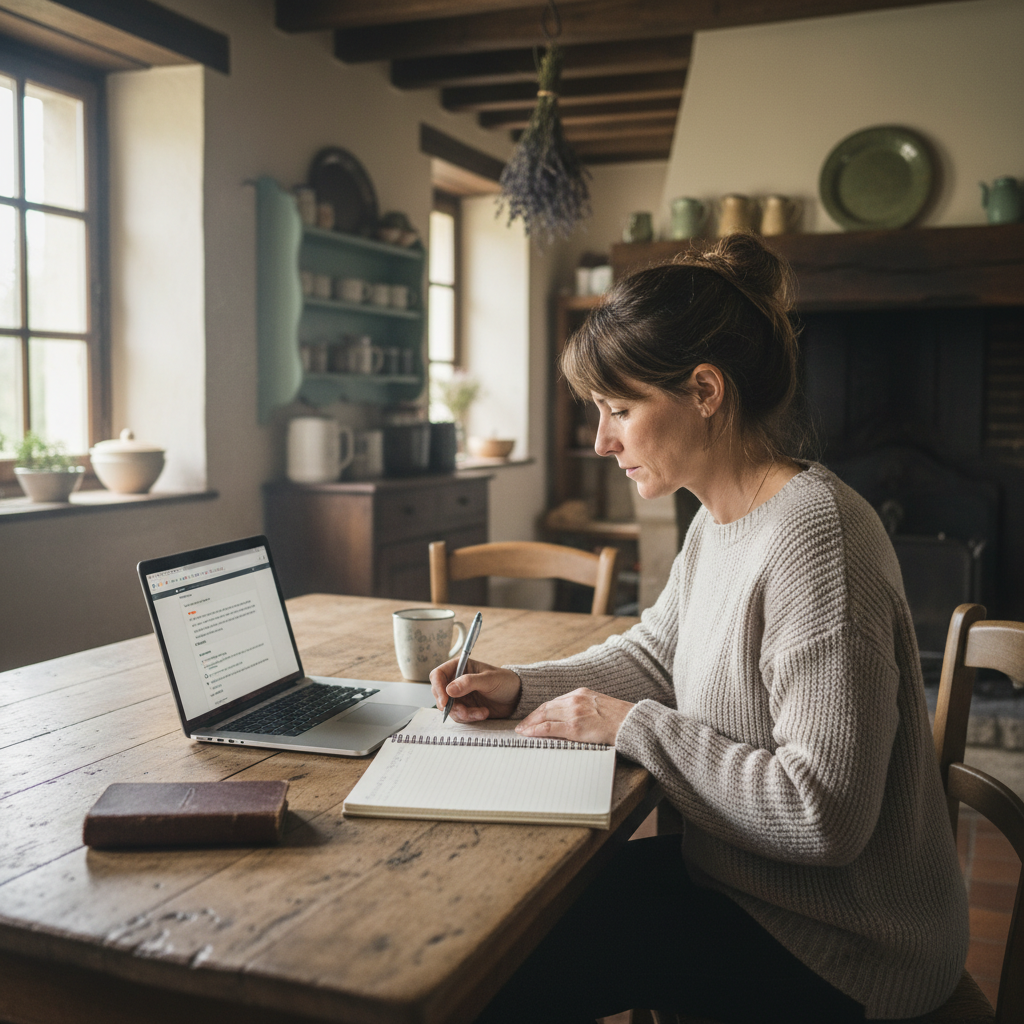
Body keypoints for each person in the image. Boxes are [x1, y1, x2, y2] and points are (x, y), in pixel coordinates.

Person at [429, 233, 969, 1024]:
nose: (601, 440)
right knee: (492, 928)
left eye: (619, 410)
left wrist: (633, 727)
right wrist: (520, 686)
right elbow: (657, 654)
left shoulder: (815, 537)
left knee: (497, 980)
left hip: (845, 947)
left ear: (706, 390)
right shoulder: (721, 518)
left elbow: (823, 815)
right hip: (742, 888)